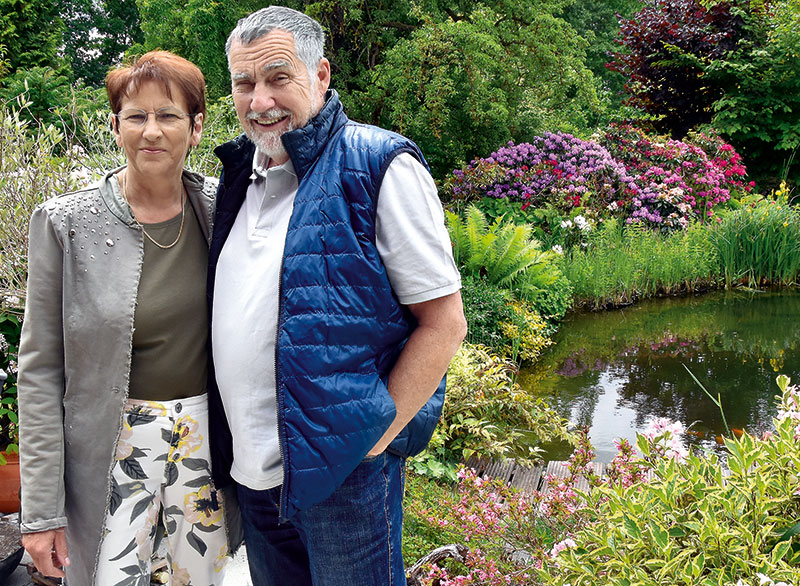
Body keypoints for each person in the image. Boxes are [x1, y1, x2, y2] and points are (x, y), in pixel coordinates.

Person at [208, 6, 467, 586]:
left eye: (279, 77)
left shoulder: (379, 164)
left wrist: (374, 440)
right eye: (244, 83)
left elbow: (445, 324)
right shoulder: (237, 177)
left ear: (321, 75)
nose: (260, 100)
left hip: (343, 479)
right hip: (255, 476)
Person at [17, 51, 240, 586]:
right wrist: (42, 511)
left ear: (197, 125)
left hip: (207, 453)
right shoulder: (65, 224)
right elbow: (41, 371)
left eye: (168, 115)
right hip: (108, 456)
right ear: (114, 125)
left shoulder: (226, 207)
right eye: (136, 116)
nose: (152, 131)